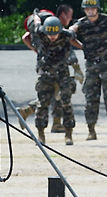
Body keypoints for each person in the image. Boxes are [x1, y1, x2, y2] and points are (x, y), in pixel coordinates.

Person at [70, 0, 107, 140]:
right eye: (87, 9)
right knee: (91, 98)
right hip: (91, 66)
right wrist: (82, 46)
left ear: (97, 8)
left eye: (93, 8)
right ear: (84, 10)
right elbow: (71, 33)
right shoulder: (82, 23)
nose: (90, 11)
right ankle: (91, 129)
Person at [23, 14, 78, 145]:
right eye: (50, 34)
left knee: (66, 102)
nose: (52, 37)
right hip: (45, 71)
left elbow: (75, 29)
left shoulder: (66, 35)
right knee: (43, 103)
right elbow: (35, 24)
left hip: (62, 72)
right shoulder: (40, 32)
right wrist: (36, 15)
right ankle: (41, 135)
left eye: (55, 34)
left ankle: (68, 133)